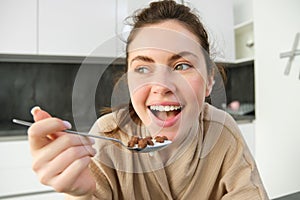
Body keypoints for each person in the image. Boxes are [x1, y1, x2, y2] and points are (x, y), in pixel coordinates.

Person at [28, 0, 269, 199]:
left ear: (209, 81)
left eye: (182, 65)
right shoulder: (108, 136)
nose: (162, 86)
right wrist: (81, 195)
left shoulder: (222, 130)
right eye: (143, 68)